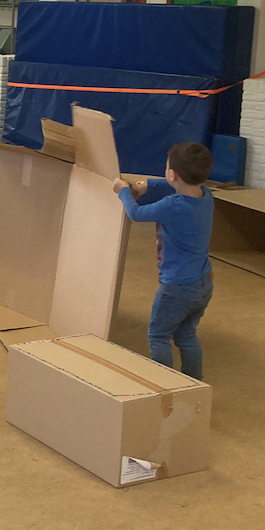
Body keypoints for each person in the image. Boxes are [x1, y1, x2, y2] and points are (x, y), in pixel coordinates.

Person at [113, 141, 216, 380]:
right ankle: (193, 383)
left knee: (158, 336)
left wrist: (123, 191)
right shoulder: (206, 195)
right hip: (203, 283)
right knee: (186, 335)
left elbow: (136, 213)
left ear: (172, 174)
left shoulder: (173, 205)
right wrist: (150, 185)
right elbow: (174, 184)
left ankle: (163, 385)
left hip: (177, 287)